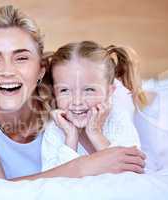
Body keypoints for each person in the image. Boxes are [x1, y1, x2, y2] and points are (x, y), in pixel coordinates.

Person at [0, 5, 146, 181]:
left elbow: (115, 93)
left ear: (40, 69)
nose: (7, 71)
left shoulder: (66, 97)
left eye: (21, 58)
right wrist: (84, 167)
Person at [41, 41, 147, 171]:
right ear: (54, 93)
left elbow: (131, 173)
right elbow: (53, 182)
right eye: (64, 90)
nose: (77, 102)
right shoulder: (56, 130)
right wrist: (71, 138)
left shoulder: (118, 120)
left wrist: (95, 133)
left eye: (89, 90)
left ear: (109, 92)